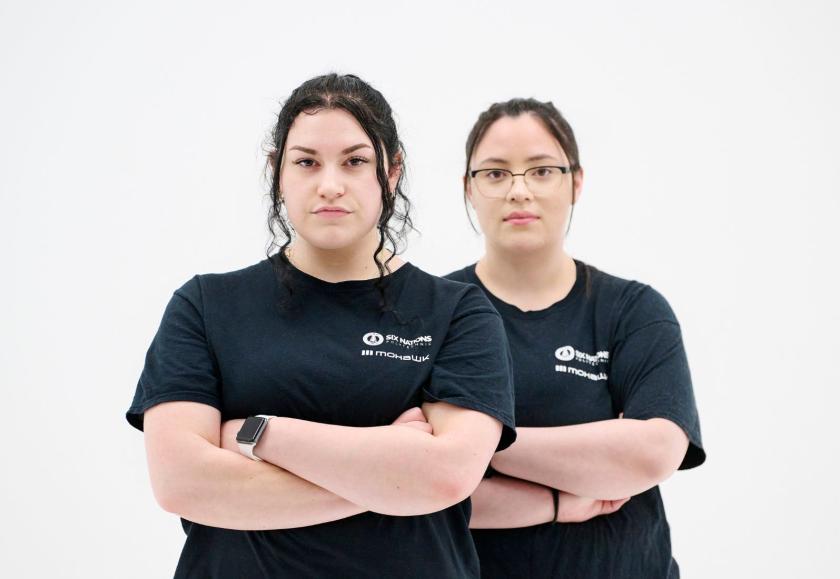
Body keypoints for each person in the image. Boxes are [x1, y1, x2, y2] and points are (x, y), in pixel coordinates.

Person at [126, 73, 517, 579]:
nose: (330, 184)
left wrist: (259, 435)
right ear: (278, 172)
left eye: (355, 161)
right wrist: (388, 477)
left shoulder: (458, 313)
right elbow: (182, 483)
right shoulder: (206, 305)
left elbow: (444, 478)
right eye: (307, 162)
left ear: (391, 172)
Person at [445, 98, 706, 578]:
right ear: (469, 189)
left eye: (542, 171)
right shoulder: (432, 315)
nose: (518, 191)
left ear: (575, 183)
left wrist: (472, 448)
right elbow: (410, 489)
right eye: (496, 173)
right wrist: (562, 494)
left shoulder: (633, 311)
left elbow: (653, 452)